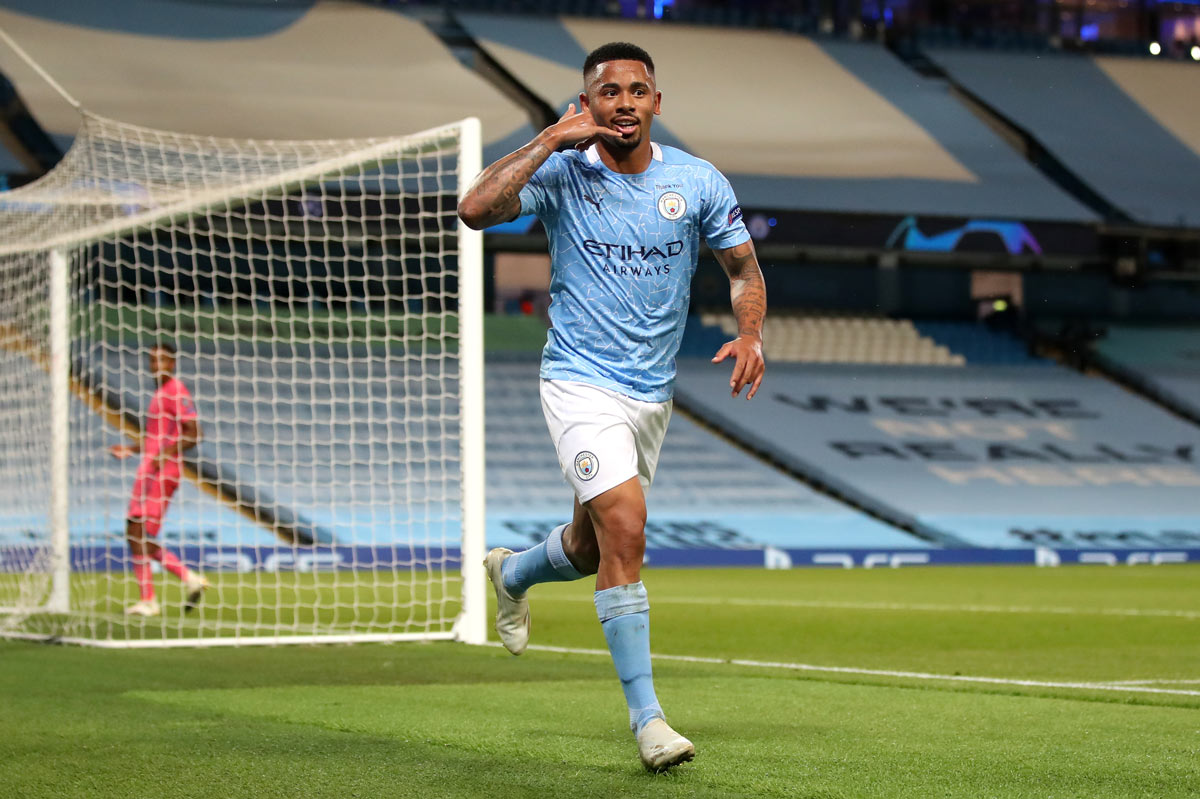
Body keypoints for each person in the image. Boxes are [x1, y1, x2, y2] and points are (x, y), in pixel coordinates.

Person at [458, 41, 766, 772]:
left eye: (637, 90)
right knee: (627, 524)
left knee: (594, 546)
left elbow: (742, 266)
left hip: (649, 395)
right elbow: (474, 209)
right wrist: (546, 139)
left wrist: (751, 330)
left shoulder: (697, 181)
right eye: (608, 92)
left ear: (657, 102)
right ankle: (650, 720)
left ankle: (512, 572)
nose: (623, 102)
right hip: (577, 380)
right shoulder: (562, 171)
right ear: (588, 104)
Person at [109, 341, 209, 616]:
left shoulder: (175, 390)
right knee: (134, 532)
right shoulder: (159, 394)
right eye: (153, 361)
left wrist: (167, 453)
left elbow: (194, 432)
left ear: (172, 363)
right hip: (150, 468)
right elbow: (156, 439)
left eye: (162, 360)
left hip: (164, 471)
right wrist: (130, 449)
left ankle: (154, 597)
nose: (156, 366)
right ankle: (184, 581)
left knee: (140, 533)